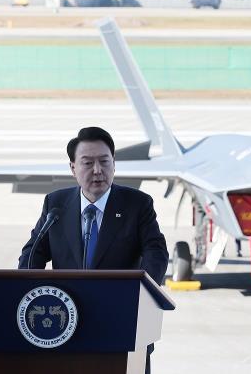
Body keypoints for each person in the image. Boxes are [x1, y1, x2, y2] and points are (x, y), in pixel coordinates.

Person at [18, 126, 168, 374]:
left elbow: (156, 252)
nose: (97, 171)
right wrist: (20, 290)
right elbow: (33, 252)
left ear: (114, 164)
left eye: (104, 162)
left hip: (122, 323)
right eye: (88, 163)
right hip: (66, 327)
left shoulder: (137, 204)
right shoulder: (55, 204)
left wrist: (145, 295)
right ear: (73, 168)